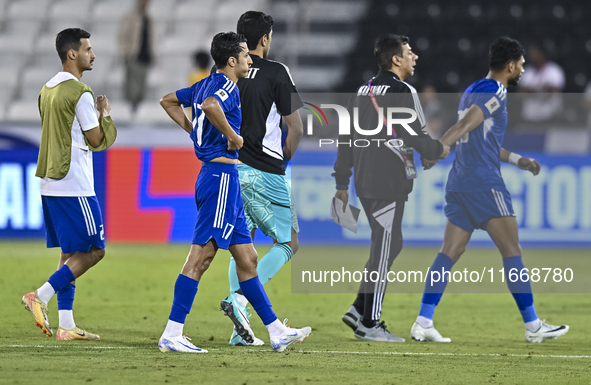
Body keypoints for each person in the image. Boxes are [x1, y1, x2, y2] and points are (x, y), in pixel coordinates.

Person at [157, 31, 311, 354]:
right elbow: (212, 107)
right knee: (201, 257)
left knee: (248, 258)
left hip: (222, 177)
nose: (248, 60)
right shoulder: (225, 86)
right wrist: (232, 135)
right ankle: (172, 332)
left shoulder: (204, 83)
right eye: (244, 55)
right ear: (232, 61)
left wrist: (193, 130)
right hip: (221, 177)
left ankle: (276, 330)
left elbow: (168, 101)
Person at [410, 36, 569, 343]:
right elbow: (469, 124)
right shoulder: (496, 90)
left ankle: (424, 320)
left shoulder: (472, 90)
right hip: (483, 184)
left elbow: (483, 140)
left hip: (459, 183)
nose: (523, 68)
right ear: (510, 66)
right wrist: (439, 145)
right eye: (521, 64)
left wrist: (517, 159)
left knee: (449, 252)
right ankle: (533, 326)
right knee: (512, 252)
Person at [332, 34, 449, 342]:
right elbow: (415, 134)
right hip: (388, 180)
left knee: (390, 243)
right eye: (410, 52)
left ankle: (359, 308)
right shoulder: (404, 91)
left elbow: (346, 138)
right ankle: (370, 323)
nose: (415, 57)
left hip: (365, 179)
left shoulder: (362, 91)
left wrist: (342, 181)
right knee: (384, 247)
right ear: (396, 59)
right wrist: (437, 149)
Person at [22, 28, 117, 341]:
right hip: (74, 182)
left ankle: (66, 325)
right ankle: (40, 295)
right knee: (95, 250)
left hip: (49, 180)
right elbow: (97, 139)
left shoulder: (46, 89)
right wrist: (105, 114)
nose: (93, 55)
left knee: (69, 251)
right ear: (72, 54)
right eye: (88, 49)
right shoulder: (80, 92)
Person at [218, 11, 304, 347]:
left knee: (241, 248)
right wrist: (283, 161)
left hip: (231, 169)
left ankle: (240, 331)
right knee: (289, 242)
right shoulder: (277, 72)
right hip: (266, 170)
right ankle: (240, 301)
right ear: (265, 39)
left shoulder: (224, 70)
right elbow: (295, 126)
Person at [119, 0, 154, 111]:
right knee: (132, 86)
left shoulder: (149, 19)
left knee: (141, 86)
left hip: (145, 55)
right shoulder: (130, 17)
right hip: (133, 54)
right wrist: (126, 52)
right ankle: (131, 110)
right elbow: (123, 35)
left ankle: (138, 110)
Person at [518, 44, 565, 125]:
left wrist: (532, 90)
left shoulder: (554, 70)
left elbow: (554, 91)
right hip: (531, 116)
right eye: (531, 54)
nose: (532, 56)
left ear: (542, 53)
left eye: (535, 53)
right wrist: (541, 89)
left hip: (550, 115)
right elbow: (522, 92)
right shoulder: (527, 71)